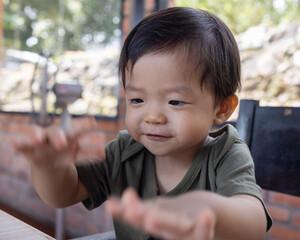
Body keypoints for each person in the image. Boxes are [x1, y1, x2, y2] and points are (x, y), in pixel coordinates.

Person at [15, 7, 272, 240]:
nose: (153, 117)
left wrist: (211, 212)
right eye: (137, 99)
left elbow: (253, 222)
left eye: (175, 102)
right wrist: (50, 167)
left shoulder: (225, 154)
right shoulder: (124, 152)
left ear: (221, 109)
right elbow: (64, 194)